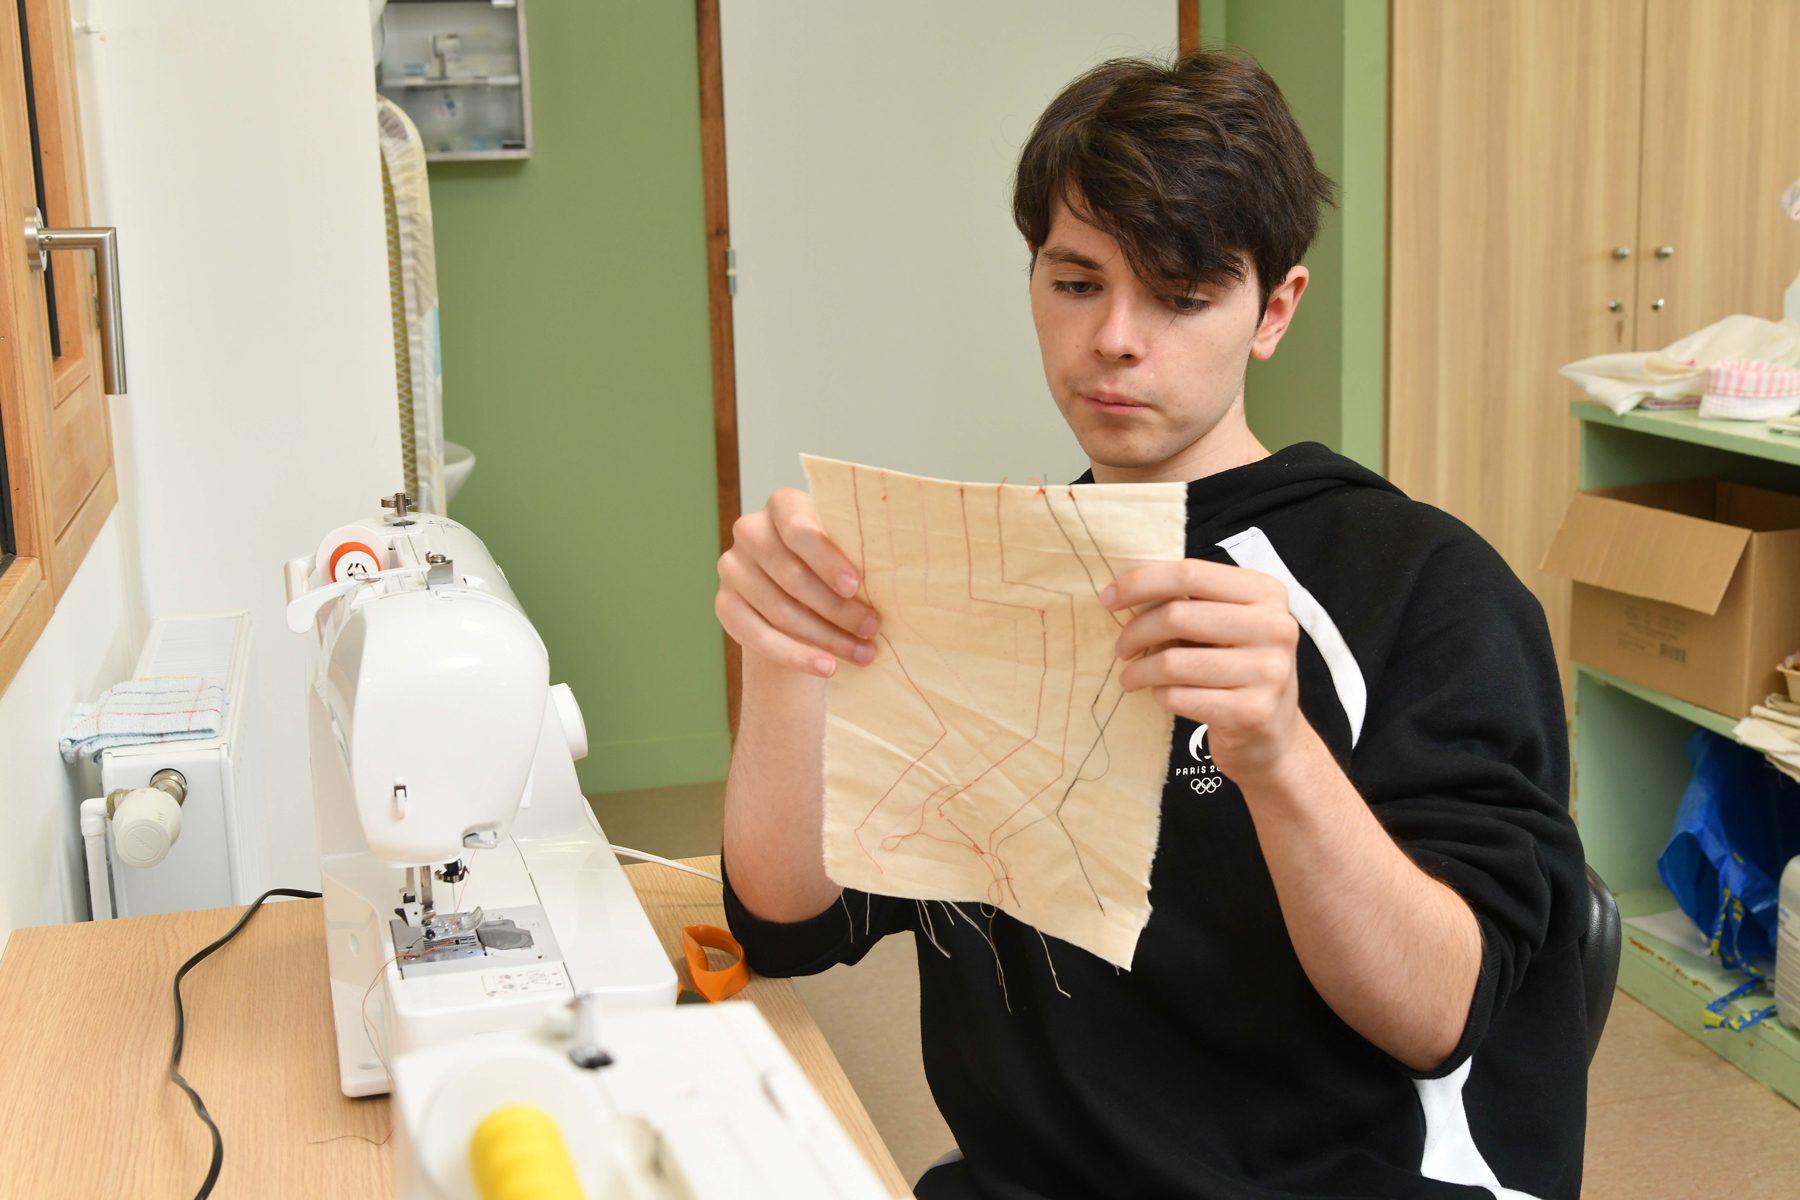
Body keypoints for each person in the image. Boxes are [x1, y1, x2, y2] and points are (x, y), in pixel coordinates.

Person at [713, 50, 1588, 1200]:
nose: (1117, 340)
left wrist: (1277, 754)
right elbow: (789, 922)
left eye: (1180, 297)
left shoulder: (1424, 587)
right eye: (1076, 283)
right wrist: (787, 661)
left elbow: (1441, 1016)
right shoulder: (1001, 573)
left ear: (1274, 308)